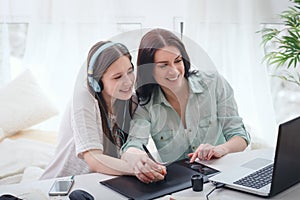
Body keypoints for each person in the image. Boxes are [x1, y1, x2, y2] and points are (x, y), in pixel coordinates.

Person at [121, 28, 251, 183]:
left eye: (178, 61)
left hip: (225, 176)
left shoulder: (214, 84)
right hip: (181, 186)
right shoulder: (146, 103)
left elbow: (240, 136)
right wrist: (136, 157)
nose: (174, 71)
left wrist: (219, 149)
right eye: (163, 65)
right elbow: (134, 144)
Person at [40, 41, 137, 179]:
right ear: (97, 82)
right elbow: (94, 160)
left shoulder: (126, 100)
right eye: (117, 77)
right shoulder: (82, 97)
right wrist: (140, 169)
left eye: (130, 71)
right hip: (65, 183)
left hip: (104, 181)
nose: (128, 81)